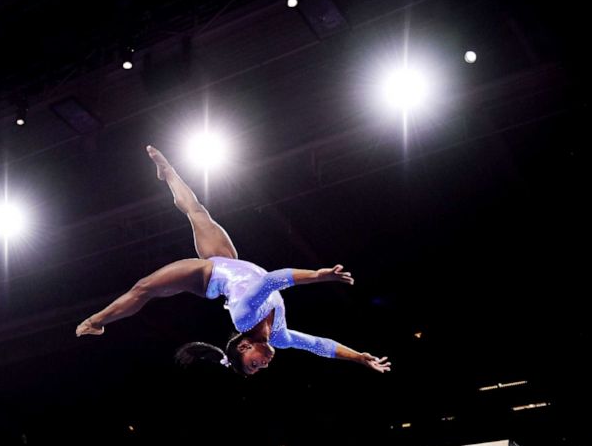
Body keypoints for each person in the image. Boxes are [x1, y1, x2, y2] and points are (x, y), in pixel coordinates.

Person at [75, 145, 391, 376]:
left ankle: (95, 322)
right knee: (197, 211)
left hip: (208, 275)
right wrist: (359, 357)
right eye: (260, 368)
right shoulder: (279, 336)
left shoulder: (245, 317)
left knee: (145, 287)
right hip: (229, 261)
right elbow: (320, 345)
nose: (263, 364)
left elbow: (270, 280)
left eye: (254, 364)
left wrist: (319, 276)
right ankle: (168, 173)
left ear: (243, 347)